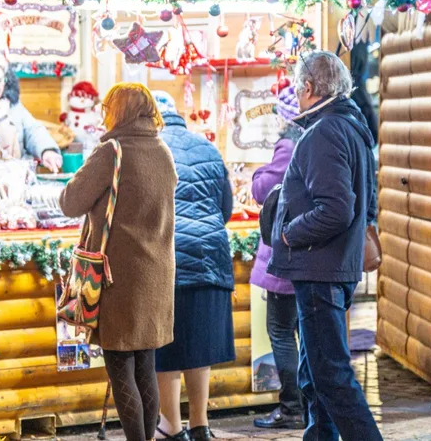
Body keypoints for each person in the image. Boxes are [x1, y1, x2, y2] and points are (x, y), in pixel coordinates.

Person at [267, 50, 382, 441]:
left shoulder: (325, 131)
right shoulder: (352, 127)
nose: (296, 94)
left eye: (298, 87)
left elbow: (336, 208)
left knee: (331, 374)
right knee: (315, 373)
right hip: (333, 266)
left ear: (310, 87)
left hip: (320, 268)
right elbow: (365, 204)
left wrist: (289, 233)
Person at [59, 83, 178, 441]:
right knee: (145, 368)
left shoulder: (112, 151)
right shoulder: (162, 150)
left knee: (120, 369)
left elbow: (70, 202)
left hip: (118, 277)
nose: (102, 113)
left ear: (118, 111)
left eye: (107, 107)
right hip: (157, 275)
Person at [150, 91, 235, 441]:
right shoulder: (208, 148)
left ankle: (170, 426)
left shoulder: (148, 149)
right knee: (199, 345)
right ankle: (200, 424)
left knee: (166, 346)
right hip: (211, 258)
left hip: (167, 262)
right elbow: (225, 207)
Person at [249, 84, 306, 431]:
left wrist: (257, 173)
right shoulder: (316, 141)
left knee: (282, 332)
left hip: (285, 256)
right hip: (305, 254)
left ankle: (291, 408)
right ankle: (307, 405)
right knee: (300, 330)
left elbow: (261, 188)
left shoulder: (288, 146)